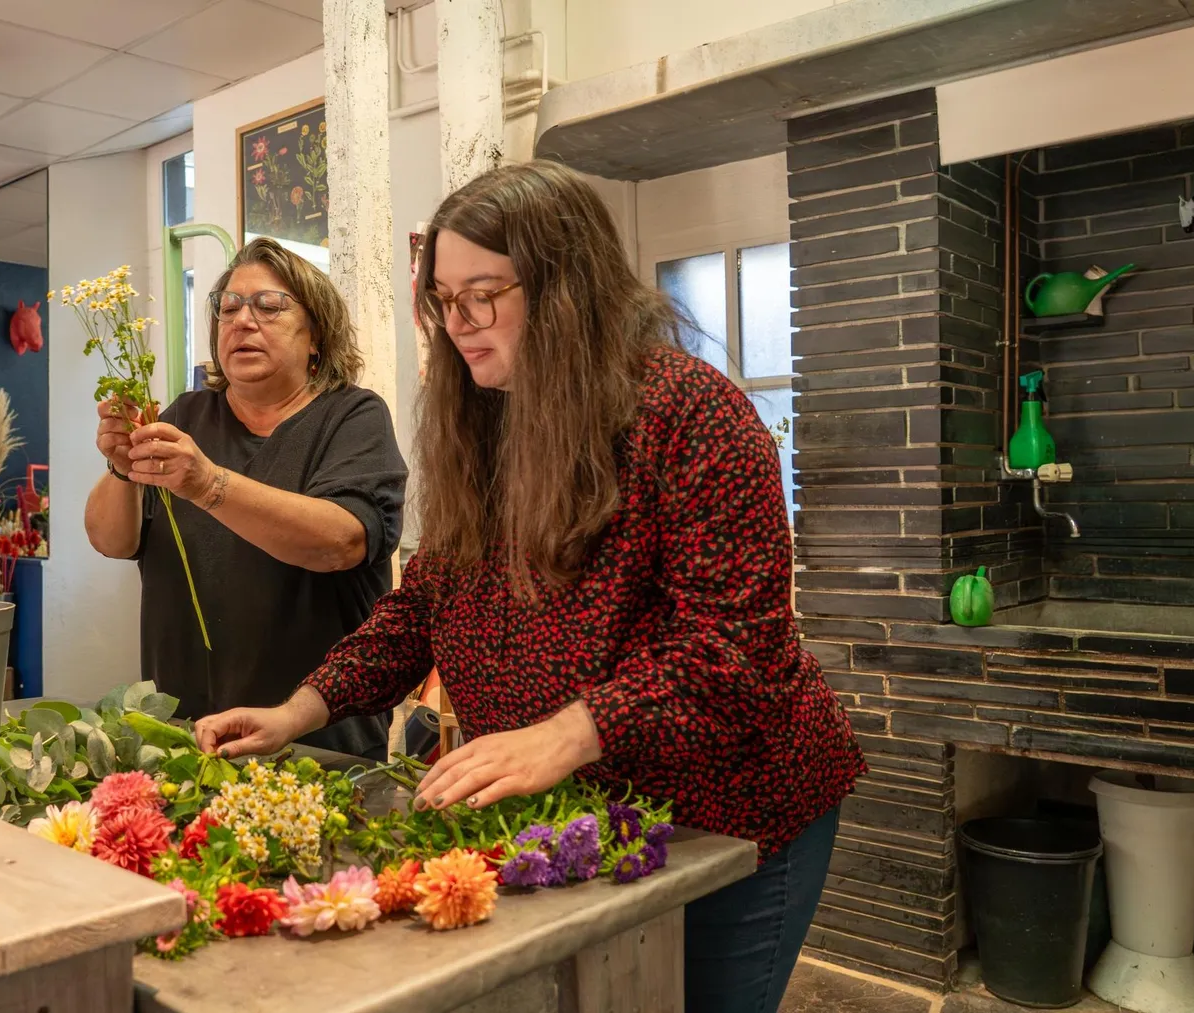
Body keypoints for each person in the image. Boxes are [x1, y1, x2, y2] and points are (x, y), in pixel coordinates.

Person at [194, 162, 865, 1013]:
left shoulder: (696, 414)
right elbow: (425, 604)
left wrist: (570, 730)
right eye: (443, 298)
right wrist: (302, 708)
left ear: (565, 289)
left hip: (733, 813)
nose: (459, 323)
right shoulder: (489, 420)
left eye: (484, 294)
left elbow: (735, 651)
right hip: (593, 811)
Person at [85, 237, 406, 760]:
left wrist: (208, 485)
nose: (241, 320)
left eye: (270, 306)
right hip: (182, 733)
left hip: (315, 742)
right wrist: (122, 471)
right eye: (228, 307)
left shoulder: (352, 418)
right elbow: (111, 541)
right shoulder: (186, 416)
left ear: (316, 335)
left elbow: (340, 542)